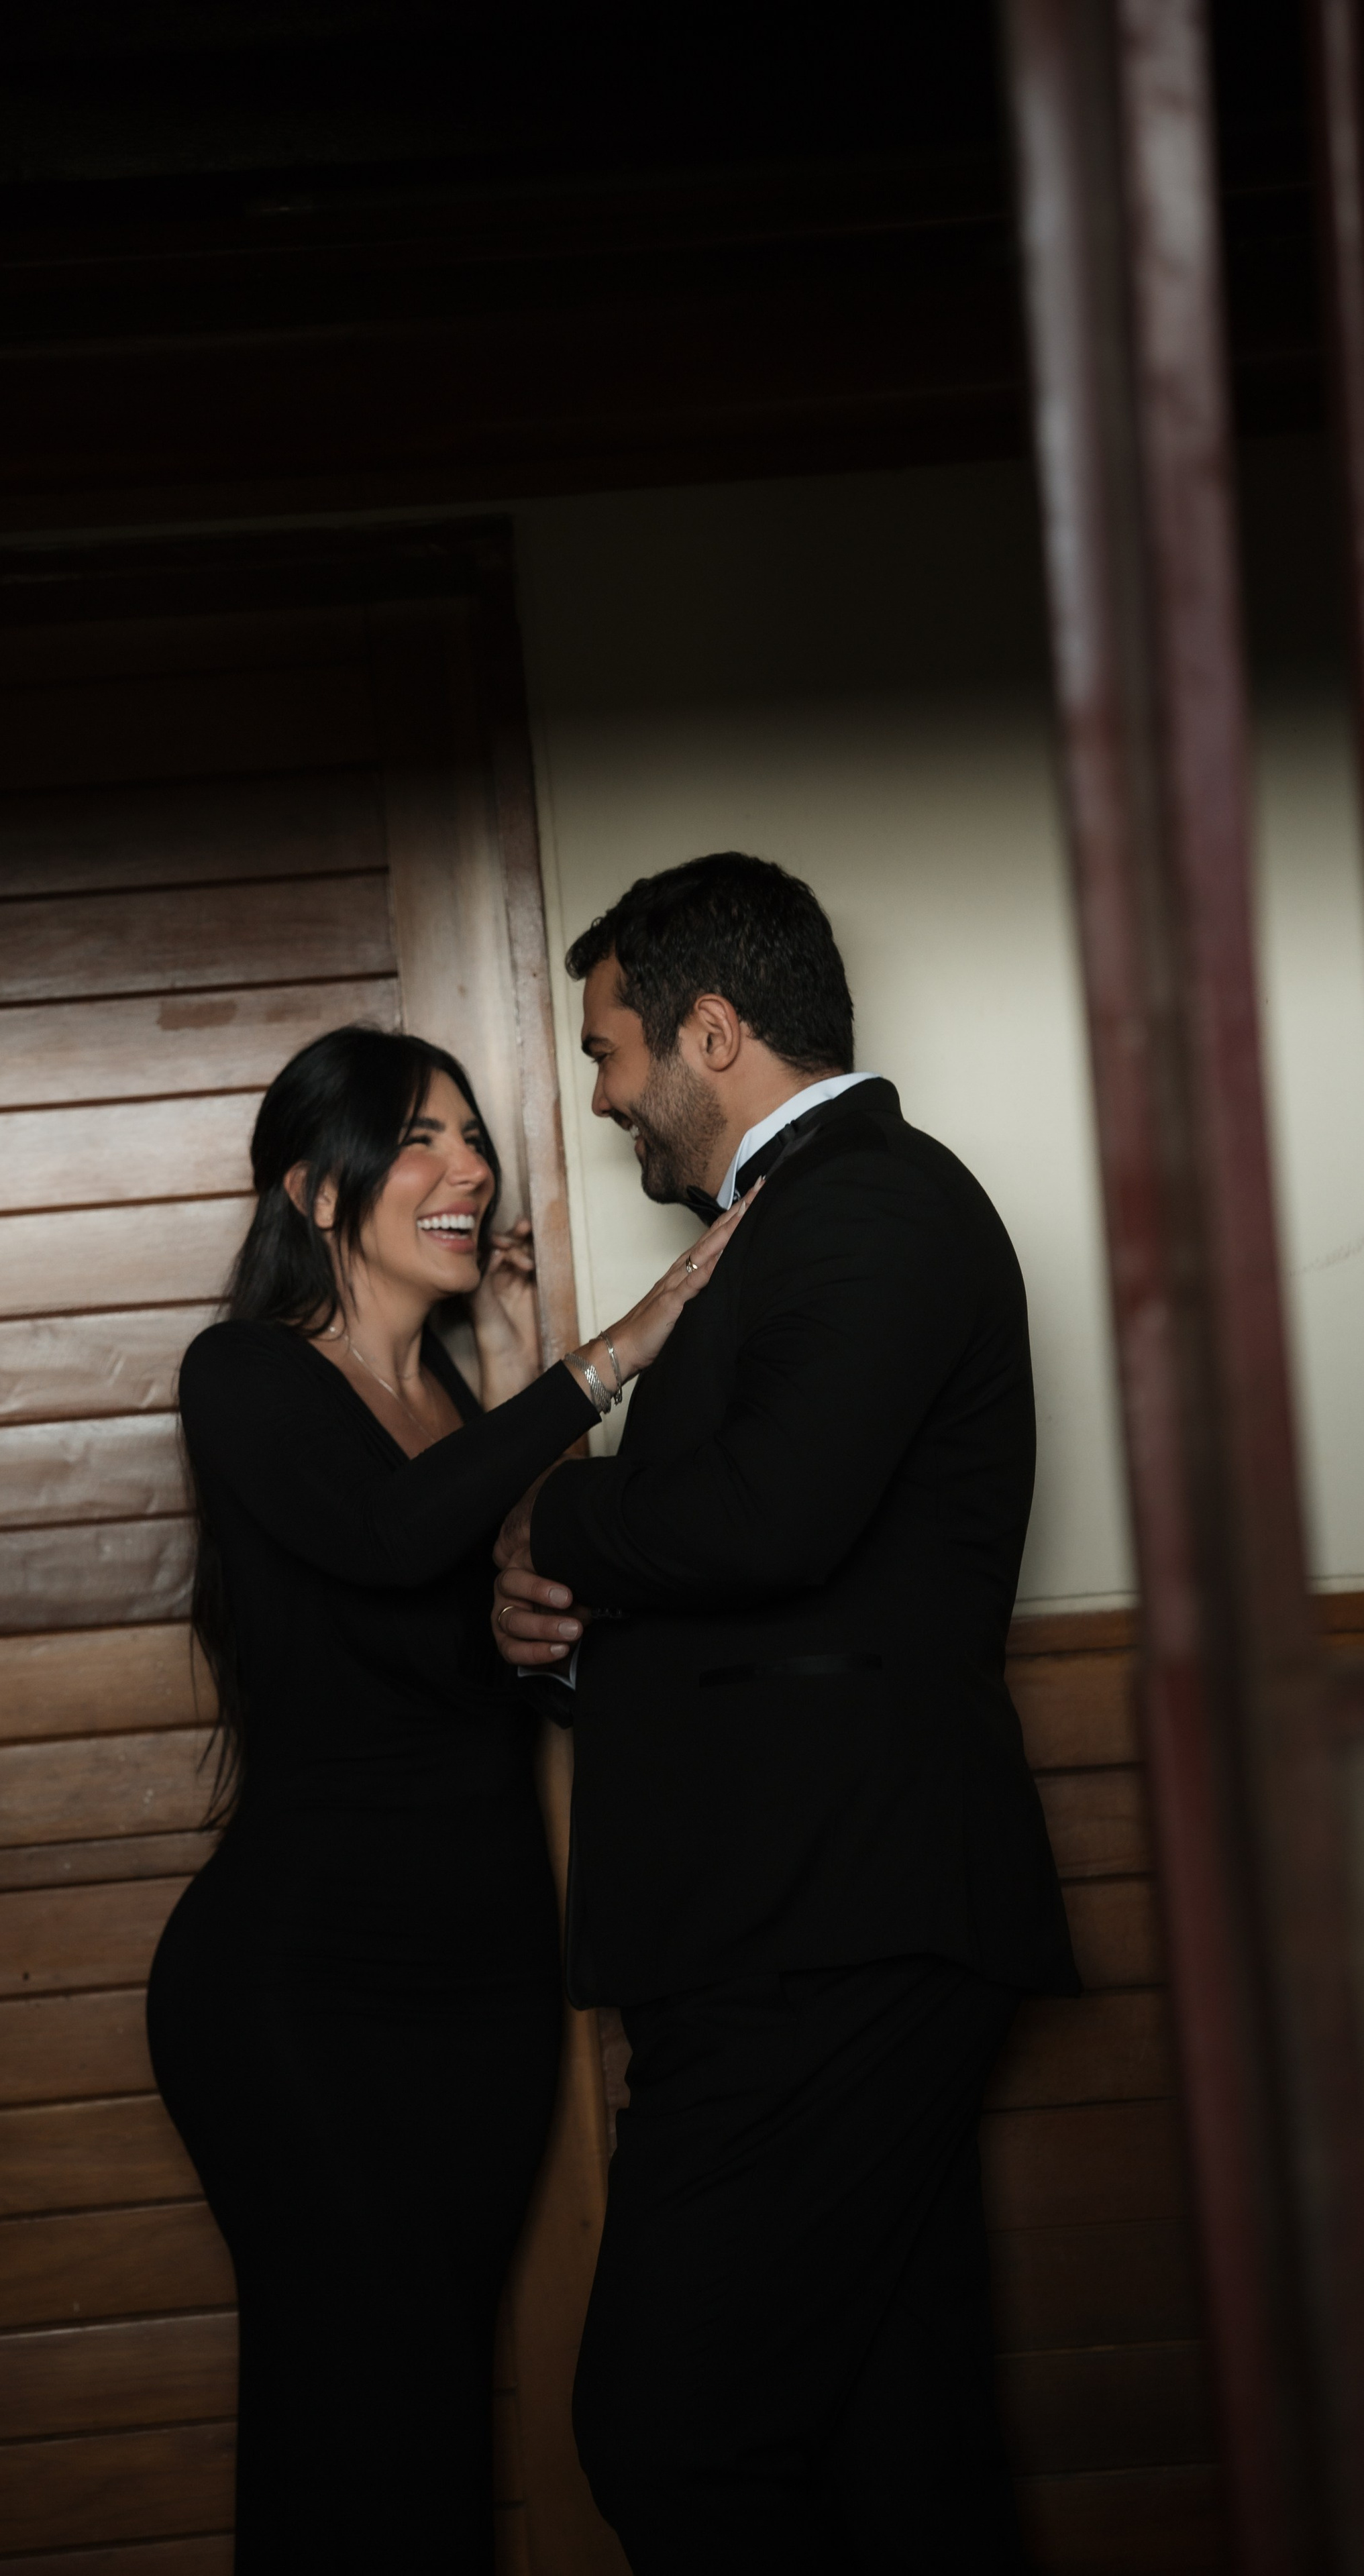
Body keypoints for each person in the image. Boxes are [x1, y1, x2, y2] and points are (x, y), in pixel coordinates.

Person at [492, 855, 1078, 2575]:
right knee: (894, 2451)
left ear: (713, 1029)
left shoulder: (872, 1203)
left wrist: (553, 1518)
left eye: (609, 1055)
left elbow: (775, 1520)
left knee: (669, 2429)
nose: (602, 1101)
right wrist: (574, 1646)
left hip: (833, 1925)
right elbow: (796, 1607)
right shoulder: (785, 1230)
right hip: (797, 1914)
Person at [146, 1022, 753, 2575]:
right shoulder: (245, 1379)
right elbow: (389, 1537)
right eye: (415, 1139)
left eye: (471, 1138)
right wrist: (608, 1352)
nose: (463, 1170)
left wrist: (544, 1642)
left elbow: (475, 1673)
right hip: (298, 1989)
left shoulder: (479, 1422)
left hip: (481, 1986)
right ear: (313, 1186)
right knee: (343, 2402)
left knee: (425, 2401)